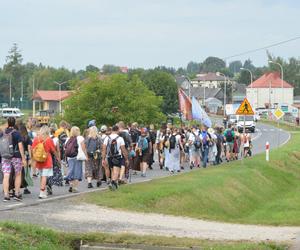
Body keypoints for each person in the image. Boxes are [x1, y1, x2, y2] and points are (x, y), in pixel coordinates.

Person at [0, 117, 27, 202]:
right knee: (18, 174)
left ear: (7, 123)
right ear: (14, 123)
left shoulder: (2, 133)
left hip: (5, 156)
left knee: (6, 175)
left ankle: (6, 195)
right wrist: (23, 158)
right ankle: (17, 193)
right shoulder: (17, 133)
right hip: (16, 156)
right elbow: (20, 146)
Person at [32, 126, 60, 199]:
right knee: (44, 176)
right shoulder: (48, 139)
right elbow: (53, 150)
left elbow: (33, 149)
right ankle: (42, 192)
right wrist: (58, 158)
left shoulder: (36, 139)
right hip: (47, 160)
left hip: (39, 160)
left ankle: (43, 191)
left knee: (41, 176)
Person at [102, 125, 129, 191]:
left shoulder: (107, 138)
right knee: (116, 171)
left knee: (112, 170)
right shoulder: (120, 138)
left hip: (109, 157)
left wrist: (103, 158)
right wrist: (126, 158)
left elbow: (104, 149)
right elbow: (123, 149)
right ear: (117, 130)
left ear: (112, 130)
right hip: (117, 156)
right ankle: (113, 182)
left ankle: (114, 185)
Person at [65, 126, 88, 193]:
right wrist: (86, 156)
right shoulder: (80, 138)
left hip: (70, 157)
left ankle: (71, 184)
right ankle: (75, 187)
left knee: (71, 171)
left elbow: (65, 148)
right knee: (77, 172)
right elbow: (83, 148)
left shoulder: (68, 138)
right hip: (78, 157)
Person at [46, 127, 63, 195]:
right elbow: (58, 150)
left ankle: (47, 183)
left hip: (46, 156)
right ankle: (50, 184)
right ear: (54, 132)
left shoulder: (46, 138)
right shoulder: (56, 139)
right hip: (53, 157)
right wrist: (59, 158)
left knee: (47, 171)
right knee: (53, 171)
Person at [19, 124, 33, 195]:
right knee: (26, 173)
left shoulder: (18, 137)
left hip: (19, 156)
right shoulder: (27, 137)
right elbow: (29, 148)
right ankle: (25, 188)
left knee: (19, 173)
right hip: (26, 157)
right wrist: (30, 158)